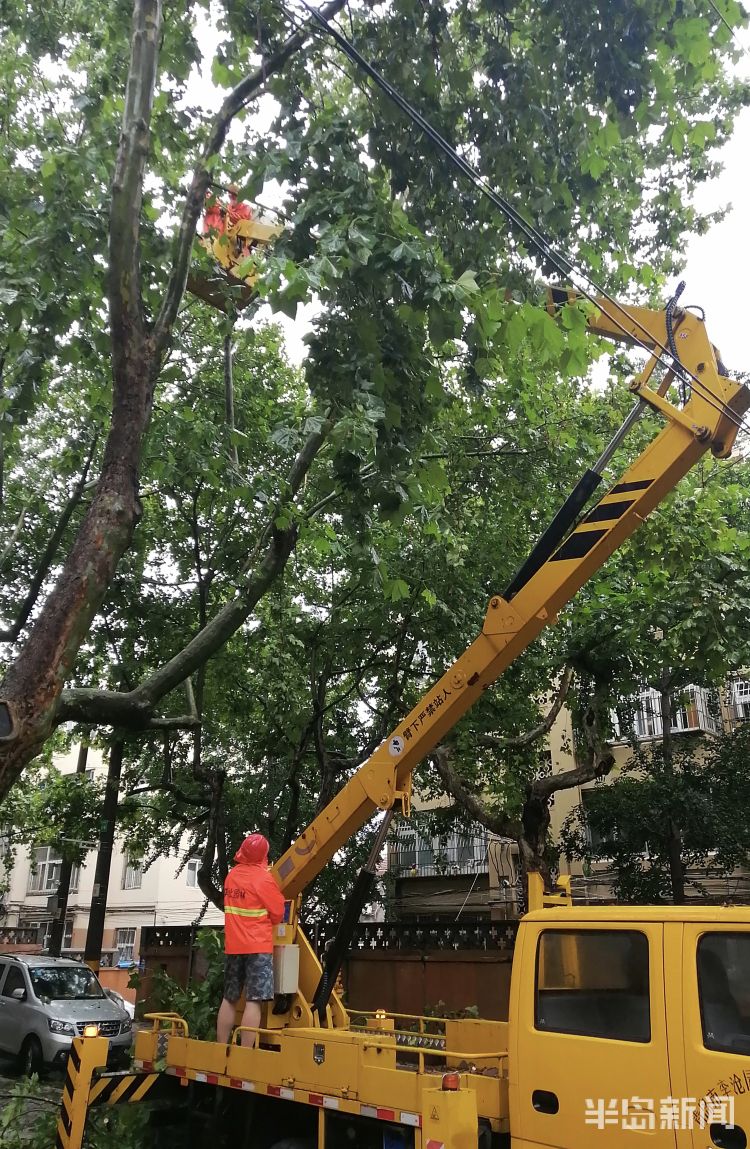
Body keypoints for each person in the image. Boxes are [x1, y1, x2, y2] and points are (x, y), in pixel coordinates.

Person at [216, 833, 286, 1048]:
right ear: (263, 855)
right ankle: (245, 1051)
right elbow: (278, 913)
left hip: (234, 946)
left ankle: (221, 1046)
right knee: (253, 1001)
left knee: (229, 998)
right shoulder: (263, 879)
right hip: (258, 947)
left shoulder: (231, 876)